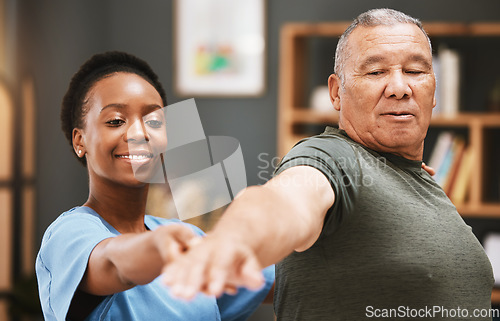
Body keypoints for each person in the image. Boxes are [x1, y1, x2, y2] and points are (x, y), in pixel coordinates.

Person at [162, 8, 495, 320]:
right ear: (337, 92)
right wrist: (237, 239)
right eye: (376, 71)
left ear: (433, 90)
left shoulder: (417, 178)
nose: (398, 87)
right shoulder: (333, 158)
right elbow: (286, 200)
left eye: (415, 71)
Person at [35, 51, 274, 321]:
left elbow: (283, 279)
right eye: (115, 121)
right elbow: (113, 263)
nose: (139, 133)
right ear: (80, 141)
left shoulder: (184, 234)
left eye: (154, 121)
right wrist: (158, 248)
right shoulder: (69, 235)